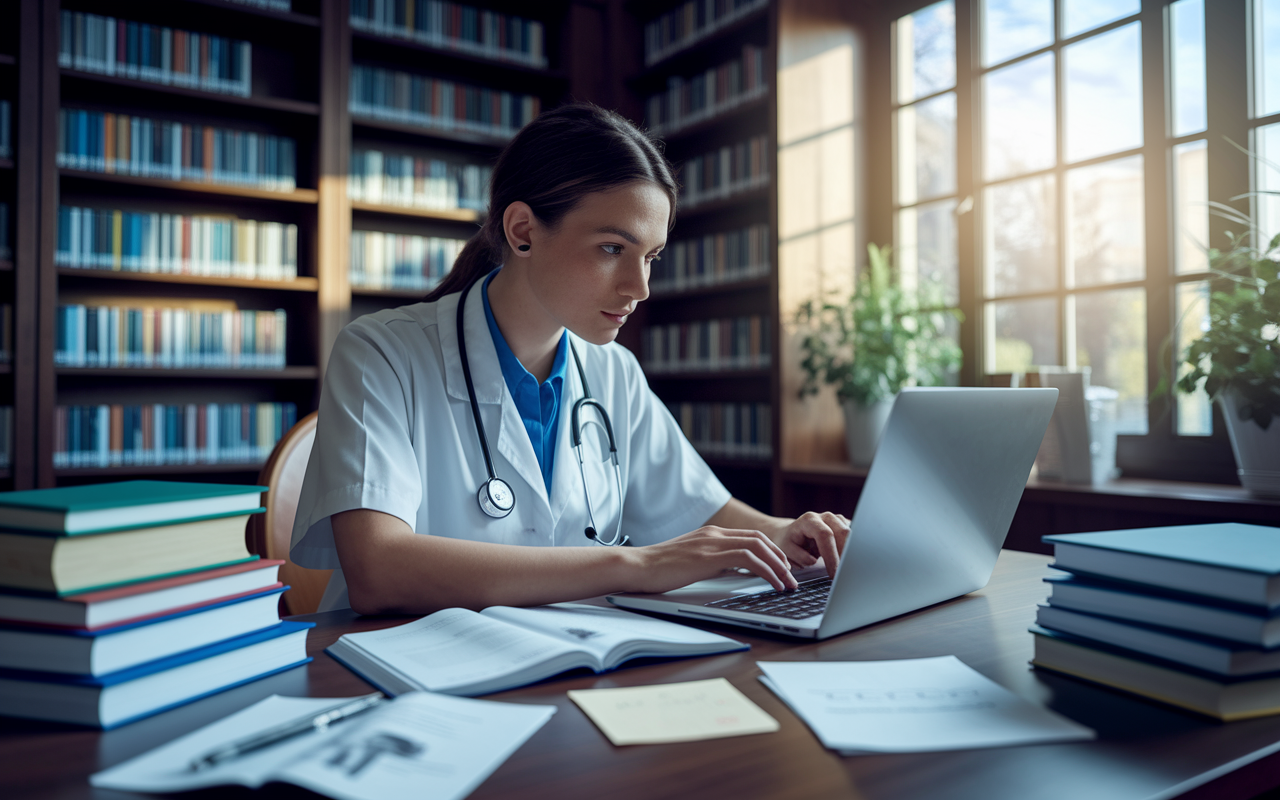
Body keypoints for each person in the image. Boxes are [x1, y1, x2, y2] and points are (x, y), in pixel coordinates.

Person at [289, 103, 850, 615]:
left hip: (564, 664)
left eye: (650, 257)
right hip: (399, 670)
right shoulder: (381, 353)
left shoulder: (613, 372)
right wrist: (637, 566)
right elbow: (378, 571)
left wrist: (789, 533)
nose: (640, 287)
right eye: (613, 249)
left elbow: (702, 514)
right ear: (523, 231)